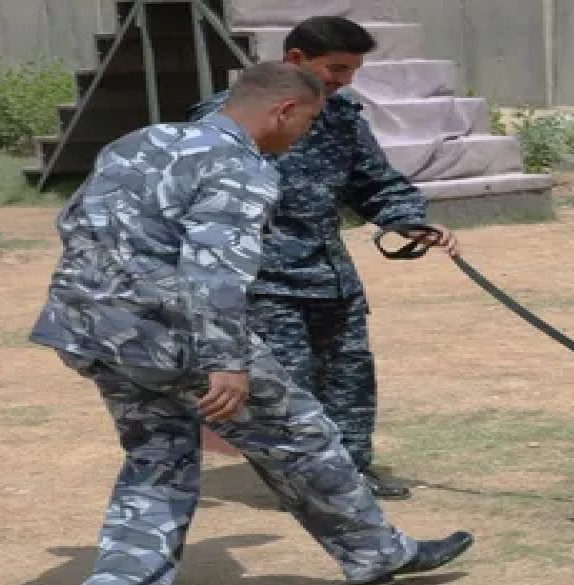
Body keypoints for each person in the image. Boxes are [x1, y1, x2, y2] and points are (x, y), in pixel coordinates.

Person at [29, 61, 473, 585]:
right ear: (283, 110)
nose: (307, 134)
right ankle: (377, 554)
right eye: (308, 122)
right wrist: (225, 362)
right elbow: (216, 275)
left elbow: (74, 223)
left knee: (157, 452)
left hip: (89, 328)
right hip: (175, 336)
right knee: (301, 435)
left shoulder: (143, 140)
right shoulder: (241, 169)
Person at [187, 16, 459, 500]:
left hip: (331, 276)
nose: (343, 81)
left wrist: (407, 218)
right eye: (335, 69)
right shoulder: (224, 121)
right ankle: (304, 483)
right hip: (264, 281)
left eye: (352, 72)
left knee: (350, 378)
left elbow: (375, 183)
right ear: (296, 60)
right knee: (287, 389)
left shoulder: (340, 116)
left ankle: (352, 470)